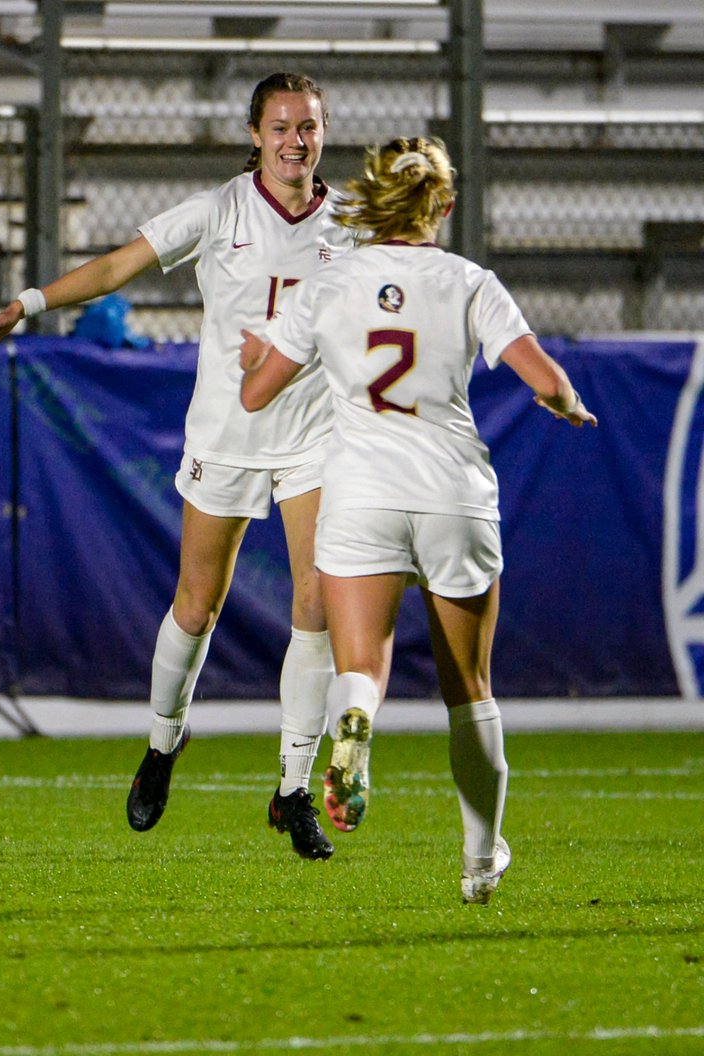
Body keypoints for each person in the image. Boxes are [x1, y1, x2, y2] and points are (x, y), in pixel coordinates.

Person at [0, 72, 354, 862]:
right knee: (196, 605)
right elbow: (118, 266)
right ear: (255, 135)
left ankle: (292, 790)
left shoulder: (351, 224)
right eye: (281, 127)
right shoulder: (218, 211)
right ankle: (163, 741)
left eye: (308, 127)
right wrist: (29, 305)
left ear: (324, 133)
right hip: (226, 434)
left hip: (314, 438)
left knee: (316, 605)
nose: (296, 141)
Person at [239, 135, 597, 903]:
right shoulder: (470, 281)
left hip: (360, 493)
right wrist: (569, 404)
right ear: (446, 204)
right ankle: (480, 861)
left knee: (360, 665)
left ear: (373, 198)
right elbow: (544, 377)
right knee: (469, 687)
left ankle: (355, 723)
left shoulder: (330, 281)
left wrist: (257, 361)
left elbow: (257, 393)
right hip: (452, 494)